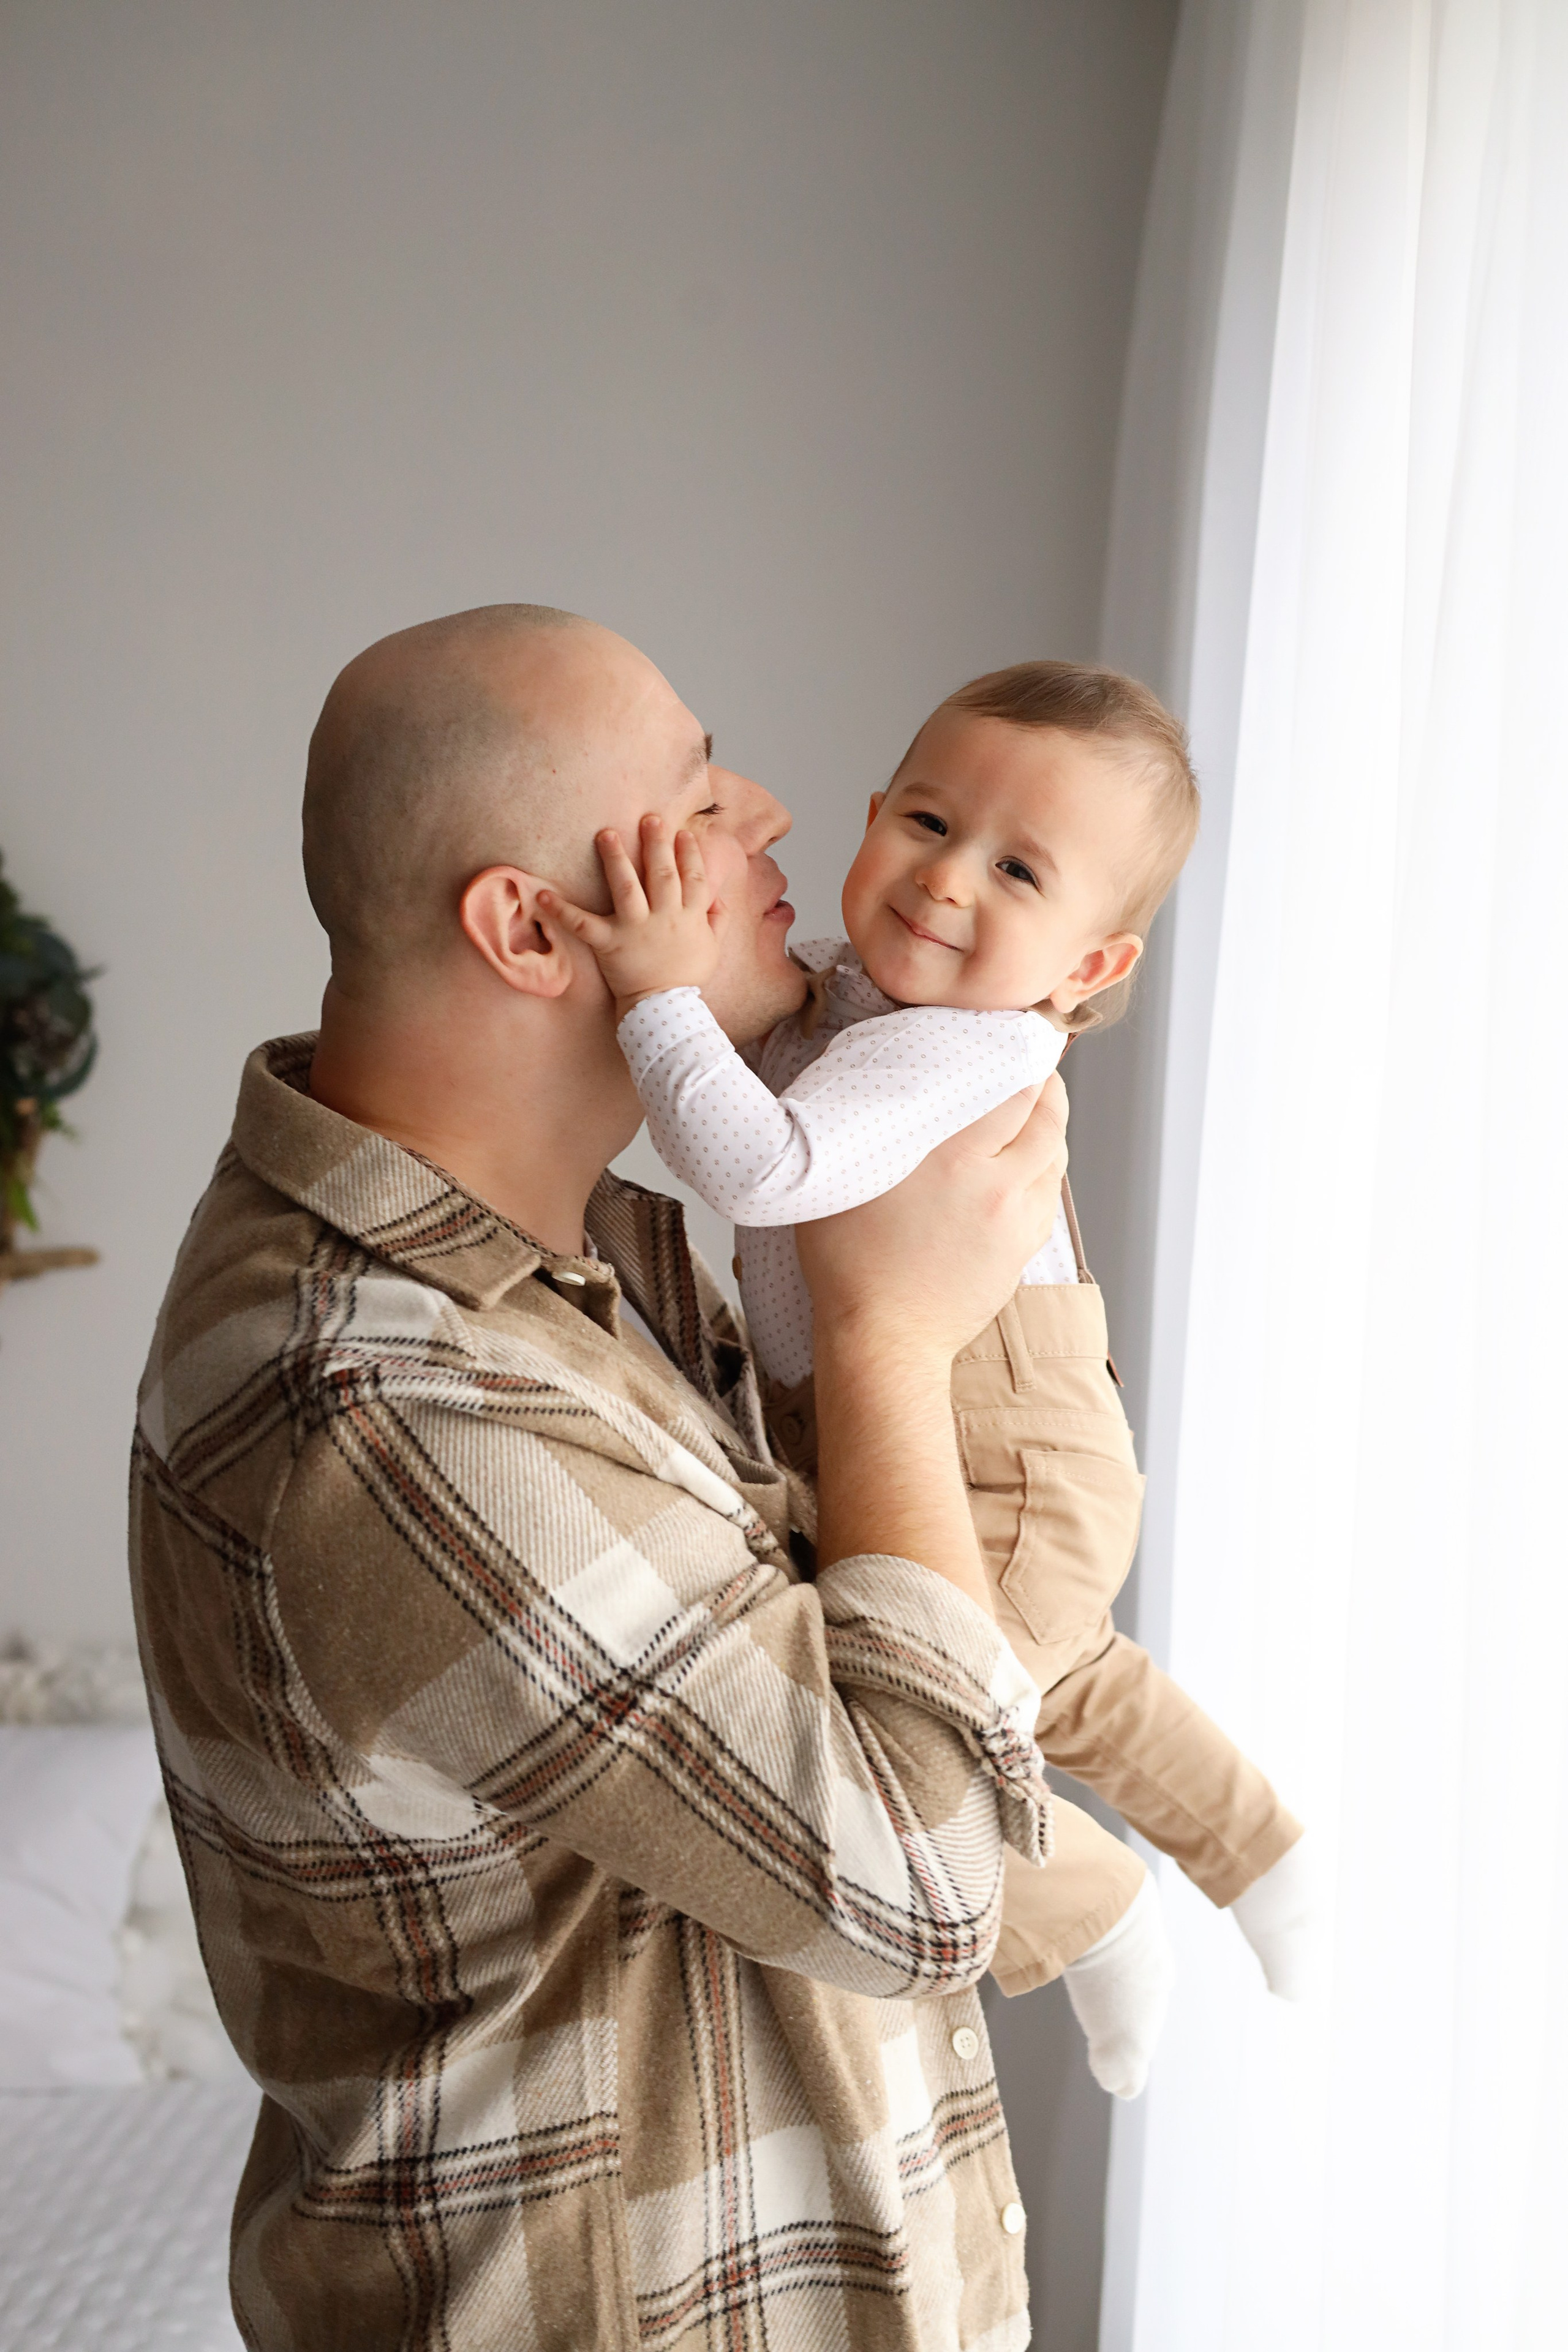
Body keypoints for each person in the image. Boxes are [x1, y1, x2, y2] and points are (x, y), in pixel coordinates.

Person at [131, 603, 1112, 2351]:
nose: (780, 818)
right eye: (694, 798)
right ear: (526, 929)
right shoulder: (384, 1397)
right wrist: (888, 1342)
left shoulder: (584, 1267)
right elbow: (925, 1880)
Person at [544, 660, 1313, 2094]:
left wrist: (654, 988)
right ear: (873, 815)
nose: (946, 880)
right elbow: (763, 1066)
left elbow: (761, 1164)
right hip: (951, 1441)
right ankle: (1268, 1862)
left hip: (999, 1457)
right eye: (926, 823)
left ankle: (1095, 1909)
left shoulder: (960, 1053)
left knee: (946, 1728)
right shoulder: (860, 1007)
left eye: (1017, 869)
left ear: (1087, 969)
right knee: (1067, 1673)